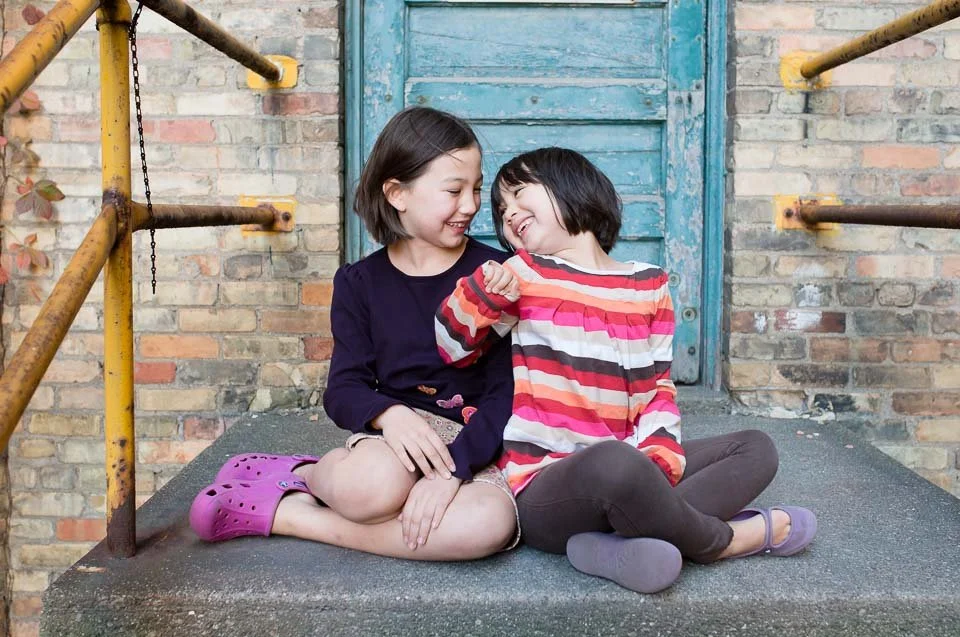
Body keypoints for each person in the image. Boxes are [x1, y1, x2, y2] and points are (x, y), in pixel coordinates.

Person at [436, 147, 816, 592]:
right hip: (546, 487)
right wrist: (483, 293)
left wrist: (657, 460)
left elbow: (657, 388)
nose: (510, 214)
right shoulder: (523, 274)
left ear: (572, 186)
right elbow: (452, 347)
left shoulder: (649, 285)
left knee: (755, 448)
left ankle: (609, 545)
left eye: (520, 194)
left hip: (629, 463)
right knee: (616, 463)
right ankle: (720, 541)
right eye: (502, 211)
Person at [189, 107, 519, 559]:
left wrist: (453, 471)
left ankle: (291, 515)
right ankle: (307, 473)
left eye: (477, 189)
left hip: (473, 442)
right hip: (395, 440)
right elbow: (345, 388)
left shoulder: (497, 275)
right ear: (397, 193)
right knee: (370, 492)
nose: (472, 205)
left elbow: (508, 394)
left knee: (486, 526)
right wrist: (391, 415)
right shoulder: (360, 283)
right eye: (454, 191)